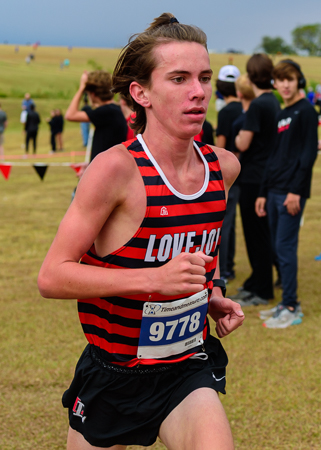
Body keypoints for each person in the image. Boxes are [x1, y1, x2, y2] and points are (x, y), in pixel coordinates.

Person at [38, 13, 245, 450]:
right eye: (179, 78)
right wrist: (153, 280)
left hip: (185, 367)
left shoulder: (223, 168)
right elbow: (53, 275)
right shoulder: (115, 170)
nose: (198, 92)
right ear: (141, 93)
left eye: (204, 77)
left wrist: (210, 294)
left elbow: (197, 252)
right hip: (113, 371)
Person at [255, 60, 319, 328]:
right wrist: (262, 192)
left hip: (291, 193)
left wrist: (295, 191)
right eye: (280, 80)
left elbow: (307, 154)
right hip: (273, 190)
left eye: (290, 79)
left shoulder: (306, 111)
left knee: (285, 248)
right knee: (276, 248)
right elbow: (275, 156)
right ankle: (284, 303)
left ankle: (291, 306)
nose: (285, 85)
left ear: (299, 81)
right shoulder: (284, 112)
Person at [233, 54, 280, 306]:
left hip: (253, 177)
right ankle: (256, 280)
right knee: (261, 233)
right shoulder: (274, 101)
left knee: (255, 234)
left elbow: (243, 142)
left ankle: (262, 289)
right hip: (267, 174)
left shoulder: (259, 104)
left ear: (250, 77)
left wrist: (238, 134)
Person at [65, 70, 128, 178]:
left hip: (105, 177)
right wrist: (89, 165)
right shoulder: (114, 111)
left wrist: (81, 88)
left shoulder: (107, 111)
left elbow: (70, 115)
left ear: (93, 94)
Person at [215, 65, 242, 283]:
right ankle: (229, 266)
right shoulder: (244, 108)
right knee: (231, 225)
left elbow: (220, 149)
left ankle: (223, 269)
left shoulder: (225, 112)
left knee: (223, 226)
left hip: (227, 176)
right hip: (246, 172)